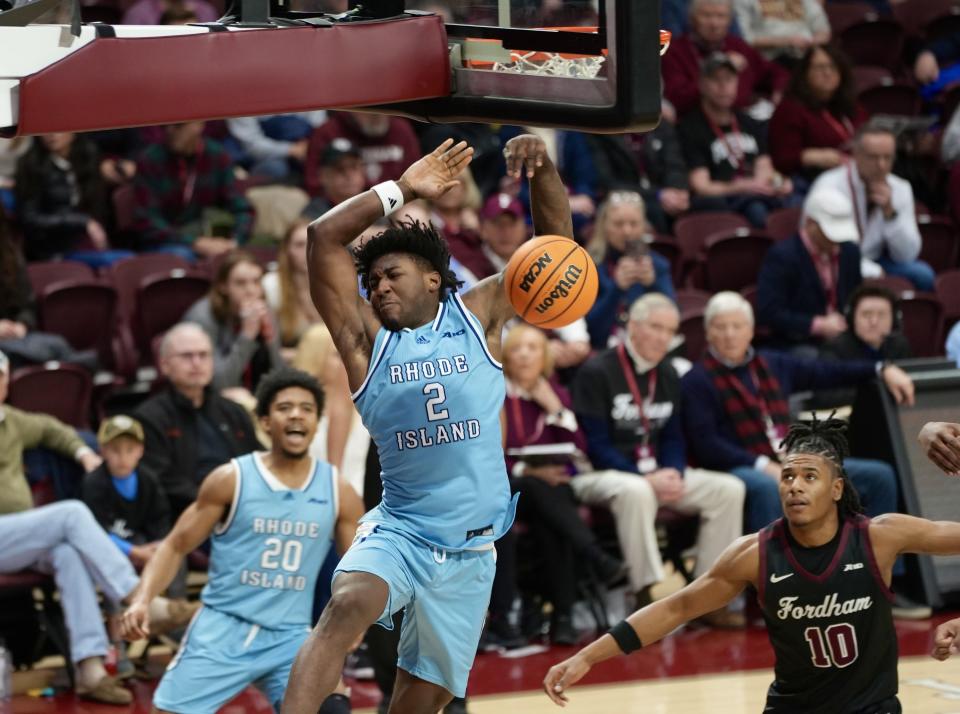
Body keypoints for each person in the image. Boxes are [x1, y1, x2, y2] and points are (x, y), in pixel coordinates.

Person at [281, 134, 568, 714]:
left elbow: (555, 250)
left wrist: (542, 170)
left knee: (424, 699)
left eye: (391, 275)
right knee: (348, 603)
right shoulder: (365, 346)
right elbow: (322, 238)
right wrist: (400, 188)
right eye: (372, 283)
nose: (378, 287)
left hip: (473, 548)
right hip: (402, 532)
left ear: (433, 278)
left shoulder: (480, 314)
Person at [544, 418, 960, 712]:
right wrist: (588, 657)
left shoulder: (879, 536)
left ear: (836, 489)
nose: (794, 485)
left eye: (809, 477)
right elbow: (677, 608)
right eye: (787, 476)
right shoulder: (755, 554)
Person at [122, 367, 364, 714]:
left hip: (290, 637)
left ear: (316, 421)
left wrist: (357, 619)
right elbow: (175, 545)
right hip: (223, 630)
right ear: (265, 422)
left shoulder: (337, 490)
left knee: (332, 709)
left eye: (306, 408)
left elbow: (359, 567)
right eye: (284, 408)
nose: (296, 414)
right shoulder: (230, 479)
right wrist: (142, 600)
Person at [0, 350, 193, 704]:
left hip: (15, 537)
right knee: (72, 513)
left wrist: (83, 453)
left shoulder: (11, 421)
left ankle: (90, 668)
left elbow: (53, 429)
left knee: (69, 553)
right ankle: (140, 599)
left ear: (6, 383)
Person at [572, 294, 747, 624]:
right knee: (635, 491)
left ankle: (707, 598)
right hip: (600, 473)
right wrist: (643, 477)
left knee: (728, 489)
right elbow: (595, 445)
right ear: (634, 327)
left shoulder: (668, 373)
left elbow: (673, 436)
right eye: (656, 328)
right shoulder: (596, 371)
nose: (664, 338)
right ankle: (646, 596)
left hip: (653, 472)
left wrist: (674, 471)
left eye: (670, 331)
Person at [501, 324, 625, 645]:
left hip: (552, 492)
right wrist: (528, 469)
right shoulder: (495, 394)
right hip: (508, 488)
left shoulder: (555, 392)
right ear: (505, 357)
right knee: (544, 490)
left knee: (551, 517)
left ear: (545, 357)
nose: (526, 354)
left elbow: (578, 448)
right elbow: (489, 455)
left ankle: (564, 618)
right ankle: (593, 558)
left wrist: (554, 408)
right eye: (518, 348)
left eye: (534, 348)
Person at [135, 322, 262, 518]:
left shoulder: (233, 412)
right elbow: (163, 482)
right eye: (187, 356)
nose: (197, 363)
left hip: (247, 508)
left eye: (203, 355)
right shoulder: (149, 418)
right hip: (193, 515)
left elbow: (260, 462)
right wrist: (219, 503)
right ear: (165, 365)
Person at [809, 122, 933, 291]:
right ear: (856, 155)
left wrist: (890, 214)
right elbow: (819, 245)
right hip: (835, 261)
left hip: (877, 259)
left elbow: (907, 255)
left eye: (887, 157)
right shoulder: (829, 186)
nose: (881, 165)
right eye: (873, 157)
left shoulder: (900, 188)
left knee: (923, 274)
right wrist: (871, 270)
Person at [678, 52, 794, 228]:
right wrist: (744, 186)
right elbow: (701, 186)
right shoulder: (690, 128)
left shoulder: (748, 122)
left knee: (792, 203)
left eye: (729, 79)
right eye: (716, 80)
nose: (723, 86)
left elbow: (765, 167)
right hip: (723, 200)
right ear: (702, 84)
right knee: (757, 211)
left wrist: (778, 183)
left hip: (754, 195)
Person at [756, 185, 862, 355]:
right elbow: (769, 312)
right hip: (798, 340)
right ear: (810, 223)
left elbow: (857, 295)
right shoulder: (783, 256)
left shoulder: (849, 251)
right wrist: (818, 325)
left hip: (843, 334)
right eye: (830, 234)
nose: (835, 242)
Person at [132, 121, 254, 261]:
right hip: (166, 242)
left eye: (179, 125)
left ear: (199, 125)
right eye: (165, 125)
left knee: (246, 254)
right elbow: (147, 221)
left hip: (207, 233)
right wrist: (195, 242)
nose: (171, 130)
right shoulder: (150, 160)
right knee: (183, 256)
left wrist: (235, 241)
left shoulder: (216, 155)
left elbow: (242, 208)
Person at [15, 132, 132, 266]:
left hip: (85, 242)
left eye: (59, 129)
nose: (51, 135)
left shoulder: (87, 157)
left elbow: (97, 207)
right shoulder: (31, 165)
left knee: (130, 261)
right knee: (125, 261)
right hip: (54, 249)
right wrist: (82, 222)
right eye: (45, 130)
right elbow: (29, 218)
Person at [661, 0, 788, 118]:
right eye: (706, 16)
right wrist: (721, 66)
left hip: (745, 123)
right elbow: (676, 98)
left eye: (721, 16)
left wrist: (779, 90)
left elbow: (776, 73)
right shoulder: (675, 51)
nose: (714, 24)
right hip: (698, 125)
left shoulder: (738, 46)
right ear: (692, 19)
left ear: (730, 20)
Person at [584, 191, 675, 349]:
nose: (627, 231)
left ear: (643, 227)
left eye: (634, 224)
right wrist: (617, 288)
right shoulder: (588, 265)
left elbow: (673, 317)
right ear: (604, 226)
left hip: (649, 347)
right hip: (603, 350)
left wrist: (653, 285)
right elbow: (591, 329)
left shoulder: (657, 265)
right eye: (618, 224)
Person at [184, 250, 284, 393]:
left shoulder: (265, 310)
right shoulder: (203, 318)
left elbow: (279, 375)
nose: (251, 290)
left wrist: (270, 339)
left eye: (256, 282)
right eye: (240, 283)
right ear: (223, 286)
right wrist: (247, 335)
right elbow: (218, 384)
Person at [768, 45, 868, 187]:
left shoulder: (852, 106)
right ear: (805, 72)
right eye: (820, 67)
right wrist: (810, 157)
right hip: (813, 181)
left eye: (833, 66)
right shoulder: (790, 109)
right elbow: (781, 159)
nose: (827, 72)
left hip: (856, 175)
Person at [82, 415, 171, 569]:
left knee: (171, 554)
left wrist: (160, 545)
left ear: (141, 451)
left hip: (141, 541)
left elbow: (160, 518)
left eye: (130, 450)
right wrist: (133, 551)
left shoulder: (148, 479)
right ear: (102, 450)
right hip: (107, 545)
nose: (123, 457)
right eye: (115, 450)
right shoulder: (92, 483)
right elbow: (93, 531)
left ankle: (175, 594)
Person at [305, 112, 421, 198]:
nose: (376, 115)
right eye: (369, 110)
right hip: (338, 204)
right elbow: (314, 183)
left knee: (414, 214)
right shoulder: (328, 132)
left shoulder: (401, 130)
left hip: (396, 202)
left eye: (383, 109)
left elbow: (415, 179)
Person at [263, 218, 323, 358]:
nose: (308, 250)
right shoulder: (272, 286)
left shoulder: (334, 283)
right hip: (289, 367)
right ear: (287, 250)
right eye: (300, 245)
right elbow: (268, 353)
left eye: (312, 243)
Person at [733, 0, 830, 65]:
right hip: (768, 59)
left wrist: (812, 43)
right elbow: (744, 39)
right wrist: (787, 41)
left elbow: (823, 31)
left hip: (808, 55)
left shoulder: (806, 2)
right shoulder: (744, 2)